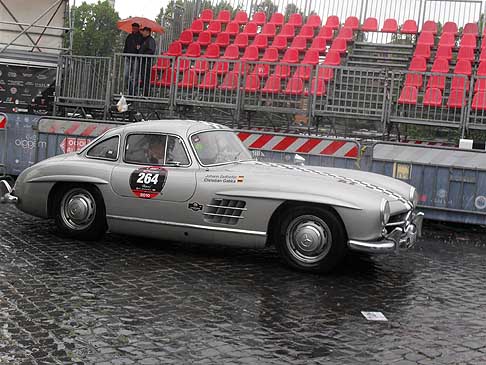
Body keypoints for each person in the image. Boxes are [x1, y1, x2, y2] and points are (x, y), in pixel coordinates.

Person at [123, 23, 143, 94]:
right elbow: (125, 46)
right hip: (128, 58)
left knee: (134, 76)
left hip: (136, 58)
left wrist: (139, 48)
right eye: (133, 28)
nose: (134, 29)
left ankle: (132, 91)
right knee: (126, 75)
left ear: (138, 29)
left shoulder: (141, 37)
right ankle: (128, 88)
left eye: (135, 28)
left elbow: (142, 47)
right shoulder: (129, 36)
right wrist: (124, 54)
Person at [139, 26, 156, 96]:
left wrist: (143, 54)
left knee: (146, 77)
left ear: (147, 32)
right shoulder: (144, 40)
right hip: (143, 61)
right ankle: (144, 93)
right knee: (143, 77)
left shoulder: (151, 40)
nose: (142, 32)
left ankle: (146, 94)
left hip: (147, 62)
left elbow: (151, 50)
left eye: (144, 31)